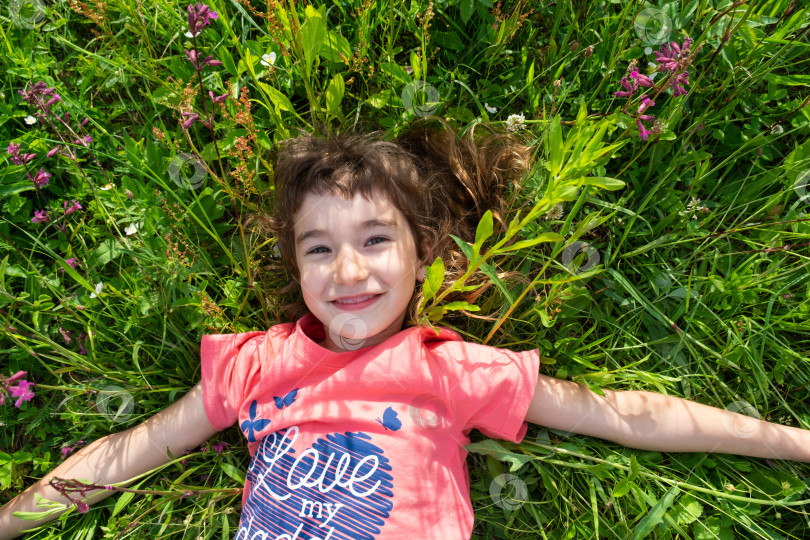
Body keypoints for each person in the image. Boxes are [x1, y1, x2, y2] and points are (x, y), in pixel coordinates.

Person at [1, 119, 808, 540]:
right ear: (297, 267)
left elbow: (627, 415)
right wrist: (15, 517)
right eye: (320, 249)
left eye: (375, 241)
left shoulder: (448, 369)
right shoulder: (255, 366)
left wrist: (790, 442)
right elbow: (129, 452)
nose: (348, 272)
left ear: (424, 255)